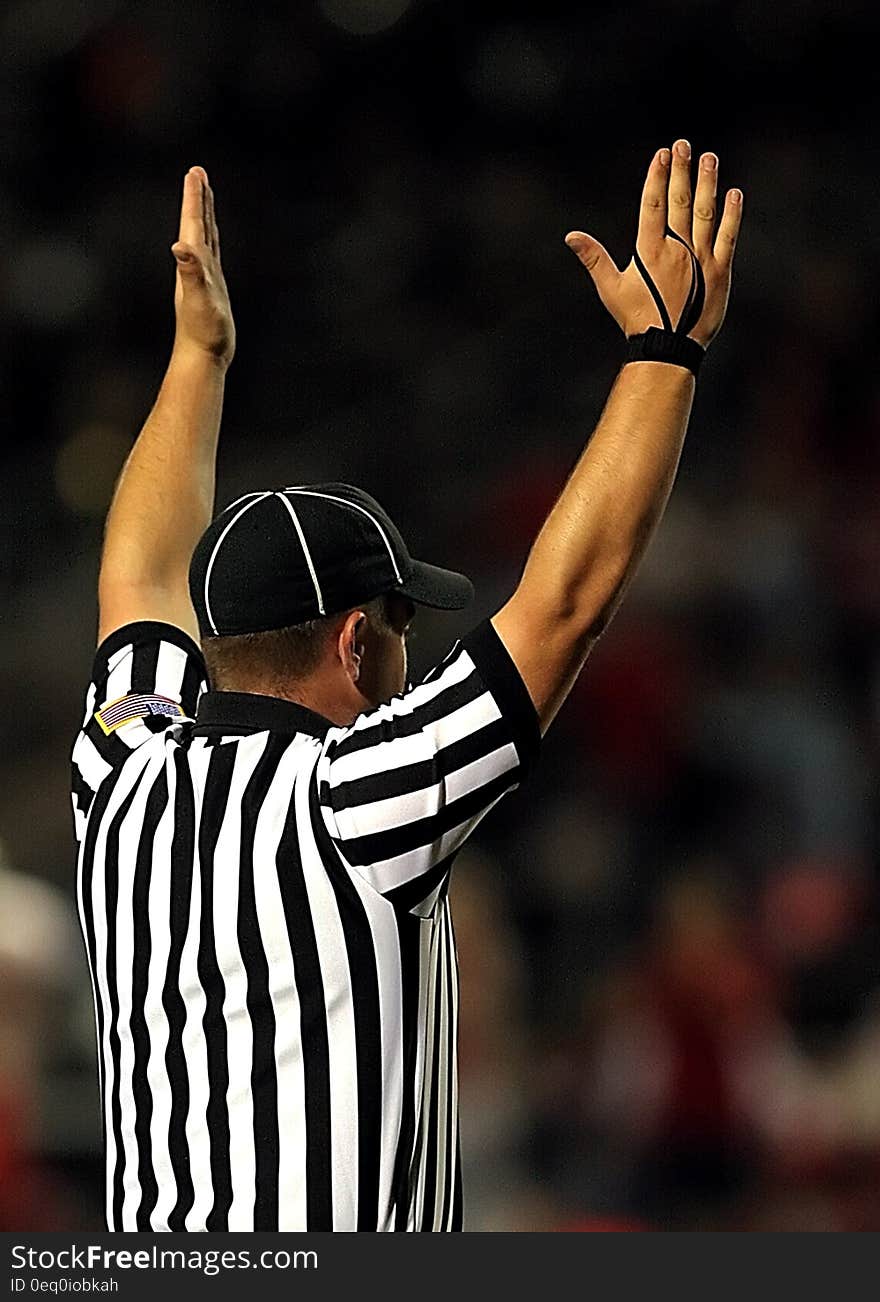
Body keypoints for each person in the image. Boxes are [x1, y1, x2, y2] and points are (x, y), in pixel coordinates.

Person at [71, 140, 742, 1232]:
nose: (409, 655)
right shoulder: (358, 798)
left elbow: (139, 574)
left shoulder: (123, 760)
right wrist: (664, 352)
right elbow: (563, 604)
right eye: (398, 626)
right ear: (350, 643)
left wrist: (198, 360)